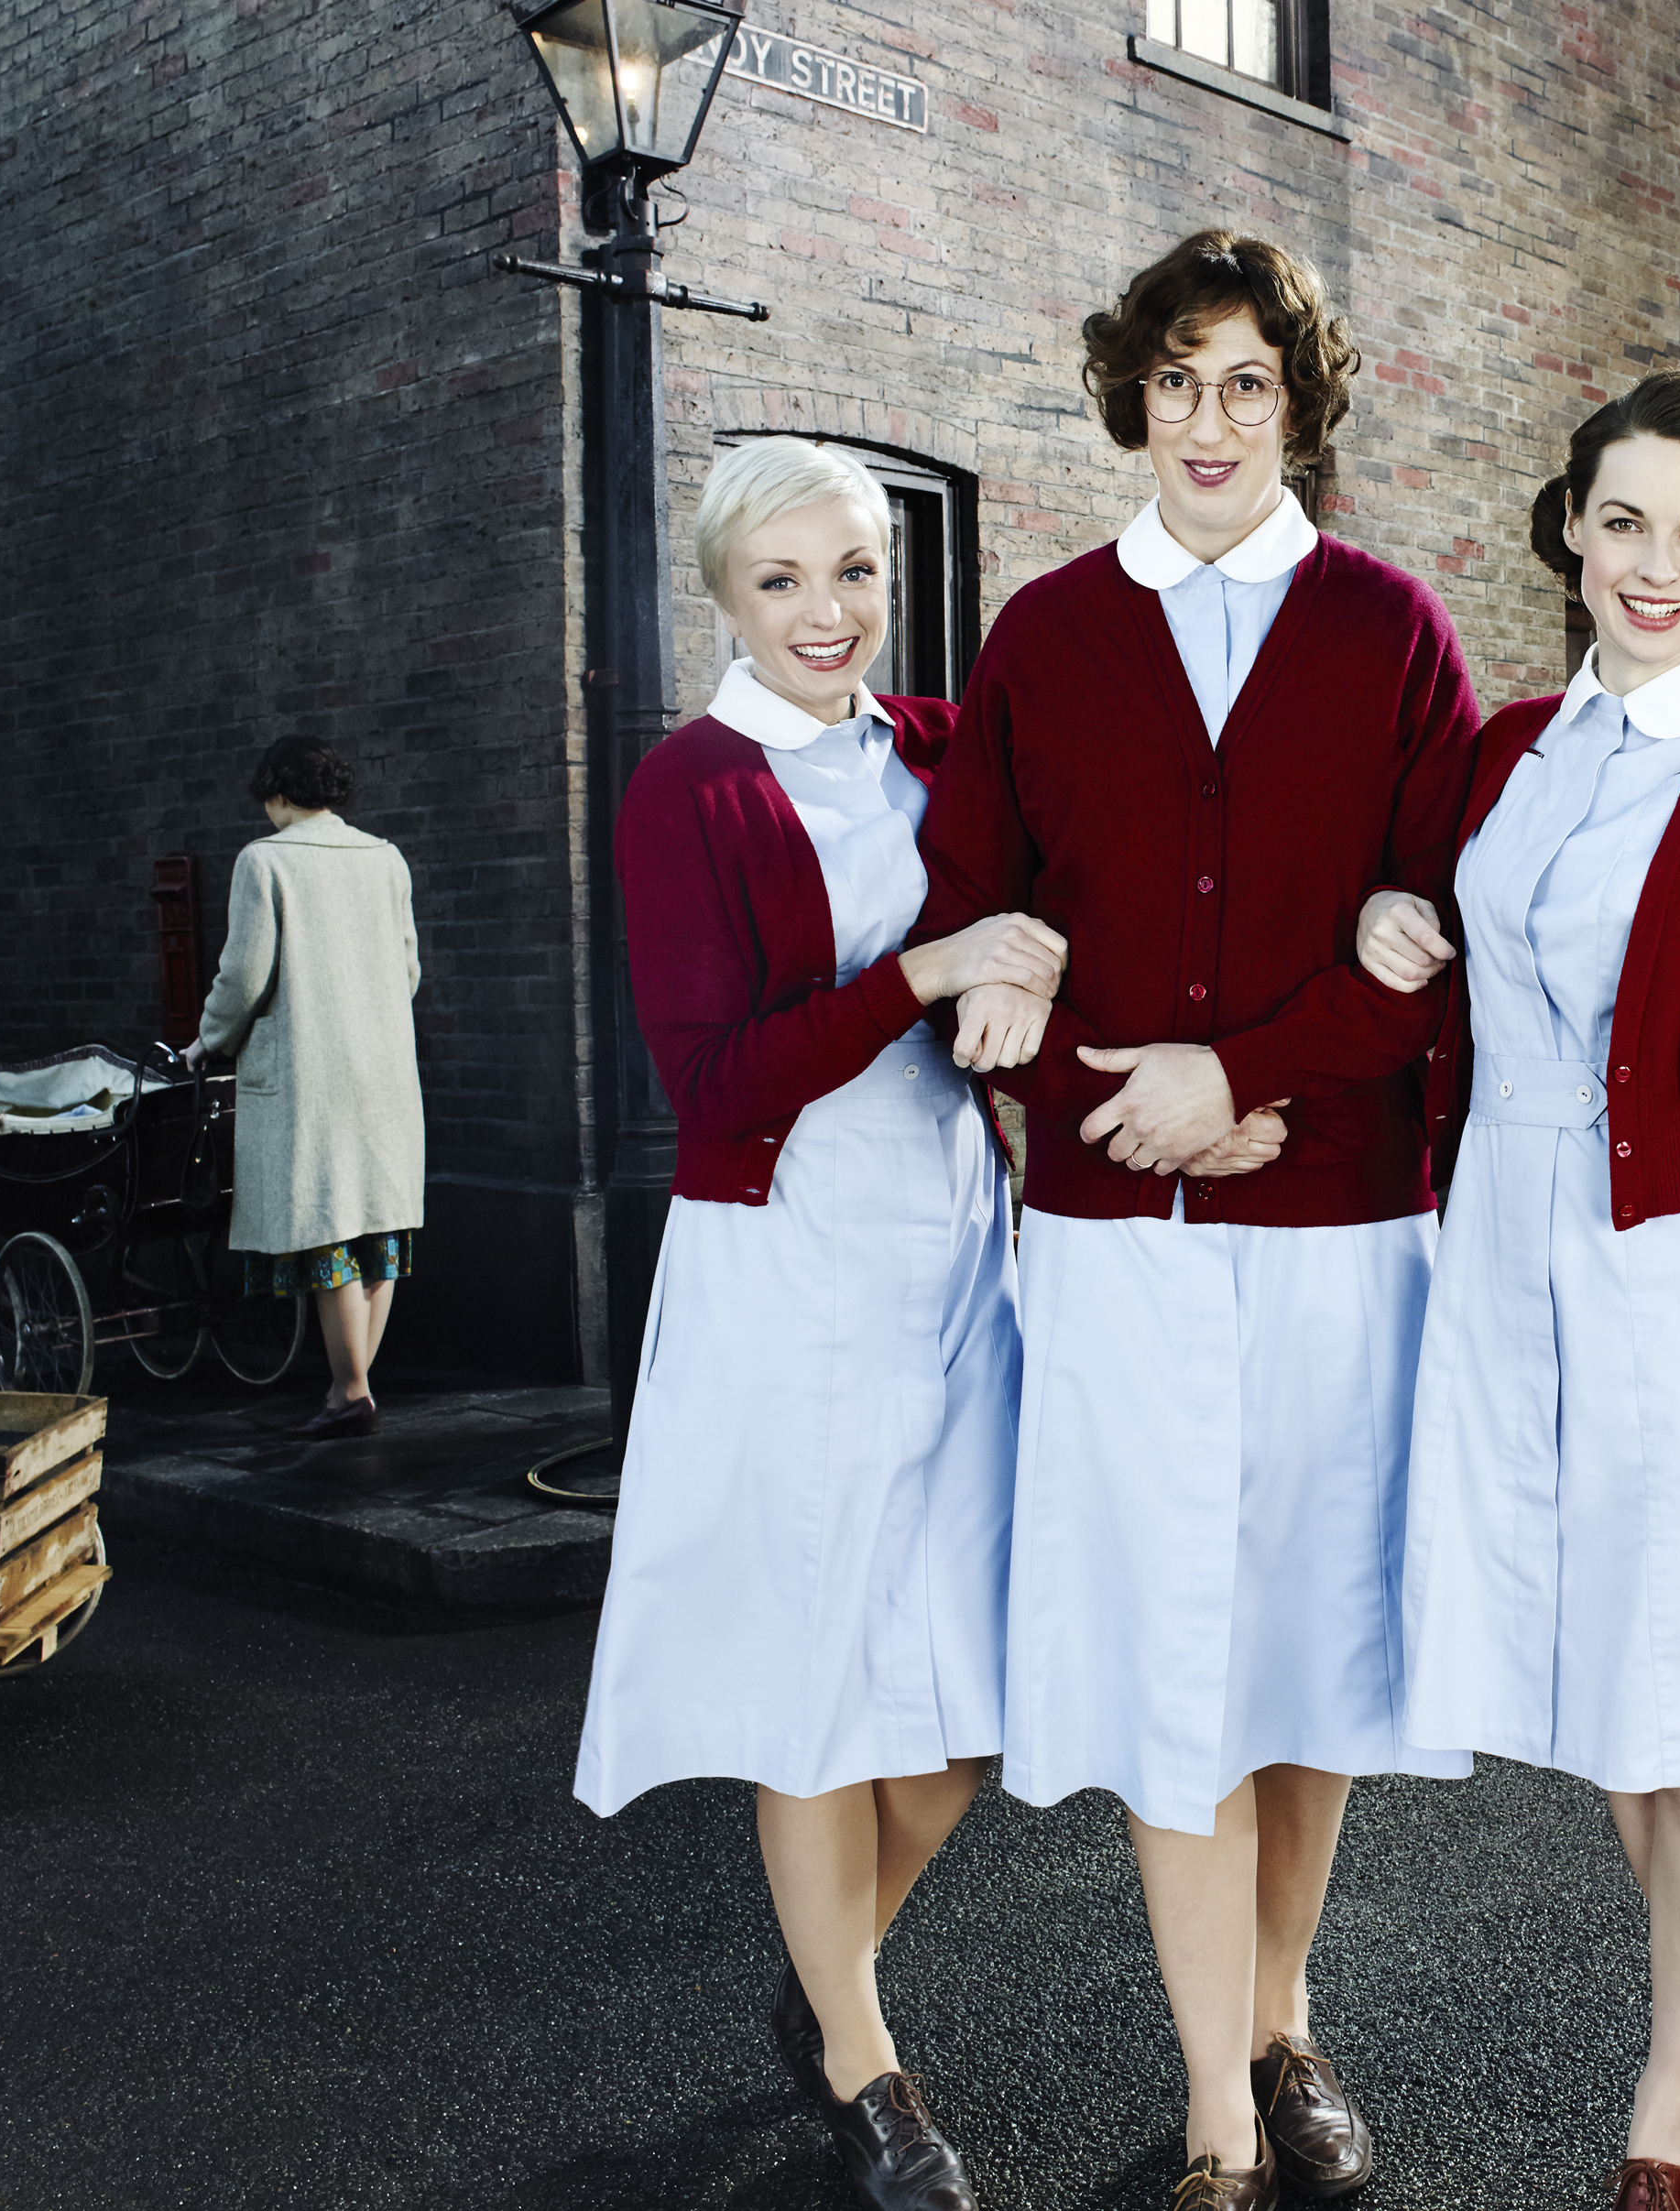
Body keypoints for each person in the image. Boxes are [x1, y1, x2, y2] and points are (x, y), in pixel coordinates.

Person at [916, 229, 1481, 2211]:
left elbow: (1431, 933)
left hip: (1336, 1228)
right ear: (1130, 400)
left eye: (1250, 380)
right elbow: (976, 909)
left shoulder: (1393, 630)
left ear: (1298, 408)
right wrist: (1117, 1087)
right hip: (1113, 1240)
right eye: (1177, 378)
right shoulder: (1044, 638)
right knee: (1170, 1646)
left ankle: (1282, 2014)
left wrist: (1248, 1083)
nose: (1212, 417)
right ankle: (1218, 2108)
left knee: (1310, 1649)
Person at [1362, 368, 1680, 2211]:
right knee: (1609, 1684)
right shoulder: (1503, 751)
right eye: (1626, 520)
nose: (1657, 564)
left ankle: (1668, 2107)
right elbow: (1425, 925)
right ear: (1570, 526)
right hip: (1499, 1253)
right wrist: (1380, 926)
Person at [571, 438, 1068, 2211]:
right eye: (782, 579)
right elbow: (711, 1085)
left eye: (855, 570)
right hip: (781, 1253)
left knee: (965, 1698)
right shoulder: (684, 791)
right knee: (819, 1689)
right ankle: (869, 2065)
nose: (826, 612)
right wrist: (929, 973)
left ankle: (824, 1966)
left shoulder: (939, 747)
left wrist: (1022, 982)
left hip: (955, 1240)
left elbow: (1051, 906)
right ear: (723, 593)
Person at [189, 736, 425, 1439]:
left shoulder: (264, 860)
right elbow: (409, 971)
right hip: (382, 1071)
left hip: (308, 1075)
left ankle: (350, 1391)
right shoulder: (385, 858)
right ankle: (349, 1387)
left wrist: (208, 1036)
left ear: (278, 792)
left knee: (326, 1228)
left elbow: (244, 975)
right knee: (378, 1229)